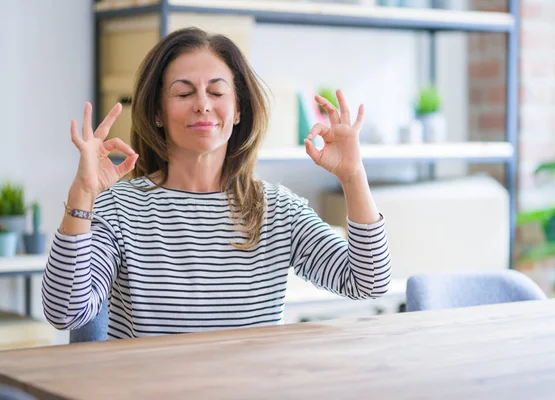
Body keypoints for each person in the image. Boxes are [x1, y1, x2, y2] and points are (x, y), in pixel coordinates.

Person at [42, 27, 391, 340]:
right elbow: (65, 312)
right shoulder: (119, 208)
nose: (203, 105)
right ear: (157, 113)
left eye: (217, 92)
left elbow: (368, 282)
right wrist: (83, 195)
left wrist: (353, 176)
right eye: (183, 93)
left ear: (238, 110)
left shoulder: (278, 209)